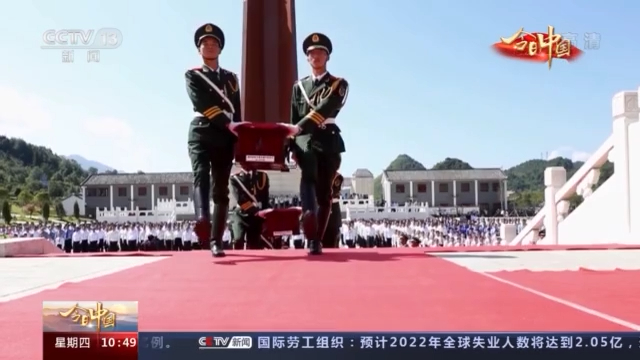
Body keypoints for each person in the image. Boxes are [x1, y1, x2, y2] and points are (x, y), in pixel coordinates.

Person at [289, 33, 349, 255]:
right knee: (308, 176)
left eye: (321, 52)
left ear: (327, 56)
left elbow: (326, 108)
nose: (316, 56)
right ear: (307, 57)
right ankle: (308, 215)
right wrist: (292, 145)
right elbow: (293, 118)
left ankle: (316, 239)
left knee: (324, 194)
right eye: (312, 53)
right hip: (306, 141)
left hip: (329, 139)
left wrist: (298, 128)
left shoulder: (338, 84)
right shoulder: (298, 86)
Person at [185, 23, 242, 257]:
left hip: (225, 135)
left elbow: (237, 112)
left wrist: (239, 139)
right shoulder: (193, 75)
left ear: (220, 48)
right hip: (201, 130)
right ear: (199, 49)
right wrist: (227, 123)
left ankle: (216, 240)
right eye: (204, 43)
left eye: (213, 43)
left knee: (221, 189)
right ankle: (202, 220)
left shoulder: (231, 78)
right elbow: (201, 103)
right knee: (201, 176)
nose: (209, 46)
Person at [230, 169, 271, 249]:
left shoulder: (263, 176)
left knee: (254, 244)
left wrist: (265, 216)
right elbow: (240, 199)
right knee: (238, 239)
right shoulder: (235, 177)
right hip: (241, 214)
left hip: (256, 216)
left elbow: (265, 198)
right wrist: (255, 211)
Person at [322, 172, 343, 248]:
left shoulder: (337, 176)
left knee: (333, 234)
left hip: (333, 207)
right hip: (323, 206)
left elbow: (335, 190)